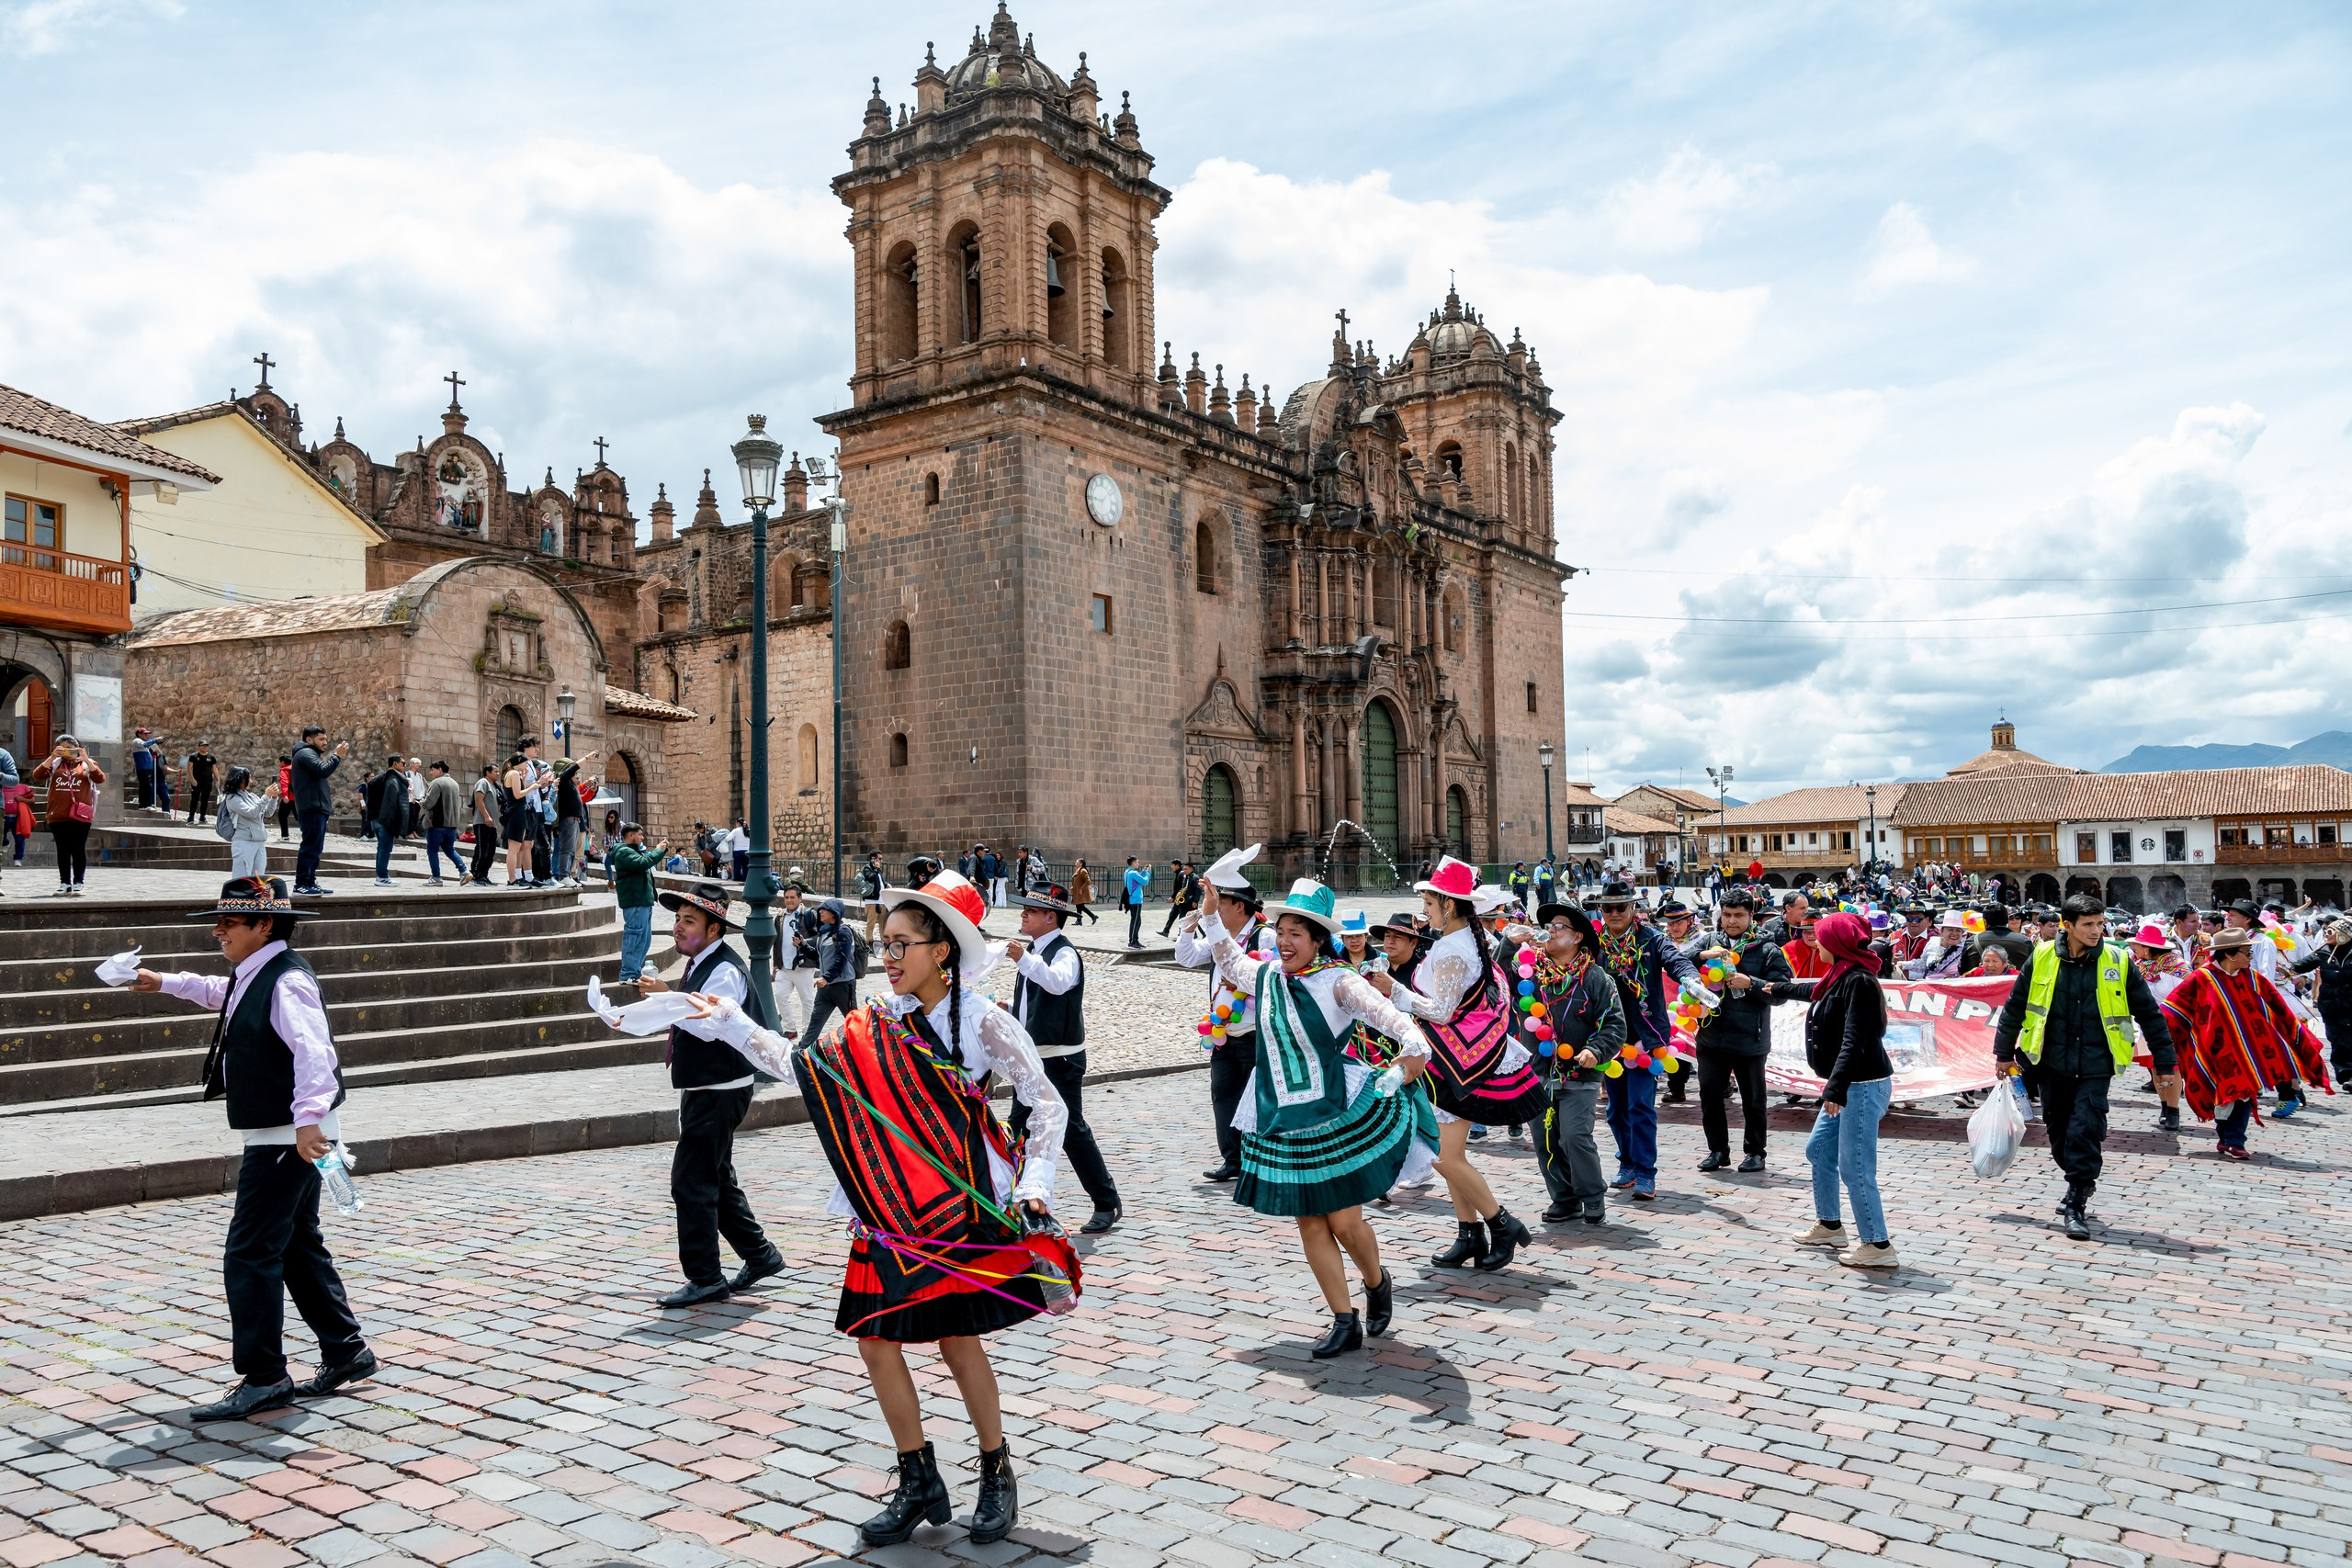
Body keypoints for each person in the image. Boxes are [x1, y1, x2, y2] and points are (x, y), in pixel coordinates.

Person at [678, 869, 1067, 1549]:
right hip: (886, 1203)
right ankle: (919, 1478)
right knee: (874, 1338)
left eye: (903, 944)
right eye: (884, 943)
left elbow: (1047, 1102)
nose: (887, 956)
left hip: (954, 1206)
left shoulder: (980, 1020)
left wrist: (1036, 1185)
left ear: (941, 950)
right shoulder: (876, 1020)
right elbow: (803, 1063)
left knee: (955, 1339)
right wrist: (732, 1021)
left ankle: (997, 1471)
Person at [127, 877, 377, 1419]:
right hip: (293, 1135)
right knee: (294, 1244)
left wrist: (310, 1122)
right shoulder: (258, 973)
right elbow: (222, 994)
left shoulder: (285, 982)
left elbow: (314, 1052)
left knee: (249, 1253)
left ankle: (264, 1377)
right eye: (217, 923)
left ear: (264, 925)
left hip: (289, 1140)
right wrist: (164, 981)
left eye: (229, 924)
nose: (218, 932)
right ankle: (346, 1349)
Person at [1202, 878, 1438, 1357]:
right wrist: (1210, 914)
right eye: (1281, 931)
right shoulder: (1267, 978)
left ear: (1316, 940)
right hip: (1282, 1116)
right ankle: (1343, 1319)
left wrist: (1413, 1048)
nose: (1285, 942)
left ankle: (1376, 1282)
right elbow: (1228, 960)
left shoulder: (1339, 981)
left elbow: (1390, 1017)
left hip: (1333, 1114)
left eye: (1297, 934)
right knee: (1310, 1223)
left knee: (1346, 1222)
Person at [1371, 857, 1544, 1270]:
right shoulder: (1465, 939)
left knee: (1446, 1158)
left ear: (1448, 905)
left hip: (1460, 1059)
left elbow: (1443, 1011)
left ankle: (1502, 1224)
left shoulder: (1452, 949)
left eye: (1429, 904)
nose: (1425, 911)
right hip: (1460, 1056)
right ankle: (1469, 1234)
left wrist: (1394, 990)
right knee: (1450, 1155)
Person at [631, 883, 785, 1307]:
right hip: (707, 1086)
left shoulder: (726, 970)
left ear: (714, 929)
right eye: (677, 920)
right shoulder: (701, 963)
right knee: (716, 1176)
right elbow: (688, 1015)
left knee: (691, 1182)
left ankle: (705, 1277)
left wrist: (668, 1000)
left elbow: (713, 1025)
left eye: (689, 921)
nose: (677, 928)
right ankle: (760, 1255)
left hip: (719, 1089)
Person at [1992, 893, 2179, 1238]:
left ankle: (2077, 1197)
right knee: (2059, 1132)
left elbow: (2150, 1015)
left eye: (2100, 923)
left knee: (2086, 1129)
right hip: (2050, 1063)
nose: (2097, 931)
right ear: (2068, 926)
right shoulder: (2043, 956)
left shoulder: (2119, 960)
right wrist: (2003, 1053)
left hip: (2097, 1062)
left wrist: (2165, 1062)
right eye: (2089, 925)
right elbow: (2016, 1006)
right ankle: (2078, 1179)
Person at [1775, 911, 1898, 1269]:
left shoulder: (1858, 981)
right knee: (1819, 1151)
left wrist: (1835, 1089)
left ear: (1836, 944)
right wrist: (1761, 985)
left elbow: (1854, 1040)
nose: (1814, 940)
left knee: (1855, 1168)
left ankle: (1878, 1245)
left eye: (1820, 936)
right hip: (1847, 1086)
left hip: (1860, 1086)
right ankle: (1830, 1224)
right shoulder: (1839, 976)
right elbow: (1805, 990)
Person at [1004, 882, 1122, 1234]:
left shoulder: (1064, 952)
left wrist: (1023, 959)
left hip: (1061, 1059)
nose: (1023, 914)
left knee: (1071, 1130)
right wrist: (1009, 1009)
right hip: (1033, 1058)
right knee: (1017, 1132)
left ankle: (1106, 1201)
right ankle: (1016, 1202)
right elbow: (1037, 1005)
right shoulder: (1036, 949)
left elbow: (1057, 983)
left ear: (1050, 917)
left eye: (1031, 910)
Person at [2162, 928, 2329, 1161]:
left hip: (2249, 1050)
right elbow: (2173, 1010)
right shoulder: (2201, 979)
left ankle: (2235, 1140)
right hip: (2214, 1052)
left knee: (2244, 1092)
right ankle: (2225, 1136)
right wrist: (2163, 1040)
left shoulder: (2253, 978)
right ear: (2230, 954)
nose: (2251, 957)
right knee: (2223, 1096)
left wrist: (2298, 1037)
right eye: (2247, 953)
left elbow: (2278, 1009)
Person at [1592, 880, 1711, 1200]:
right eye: (1608, 908)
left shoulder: (1652, 940)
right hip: (1608, 1036)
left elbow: (1676, 961)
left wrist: (1690, 978)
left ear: (1633, 908)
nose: (1614, 913)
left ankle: (1646, 1172)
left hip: (1645, 1038)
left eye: (1621, 907)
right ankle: (1627, 1163)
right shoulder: (1593, 943)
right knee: (1616, 1109)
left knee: (1641, 1106)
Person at [1174, 845, 1278, 1181]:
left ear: (1240, 906)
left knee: (1255, 1099)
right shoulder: (1220, 937)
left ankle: (1258, 1158)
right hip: (1221, 1033)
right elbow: (1186, 957)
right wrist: (1189, 926)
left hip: (1254, 1033)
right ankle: (1232, 1159)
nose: (1215, 910)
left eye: (1220, 904)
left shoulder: (1264, 936)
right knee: (1223, 1096)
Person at [1517, 900, 1624, 1224]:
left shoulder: (1596, 978)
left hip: (1581, 1074)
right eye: (1549, 926)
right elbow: (1493, 975)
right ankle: (1563, 1199)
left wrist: (1596, 1049)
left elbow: (1615, 1024)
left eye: (1559, 926)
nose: (1550, 931)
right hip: (1539, 1072)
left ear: (1578, 937)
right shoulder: (1530, 972)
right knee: (1544, 1139)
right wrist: (1510, 944)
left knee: (1575, 1136)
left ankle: (1592, 1195)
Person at [1694, 887, 1796, 1173]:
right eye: (1727, 915)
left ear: (1751, 916)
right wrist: (1704, 954)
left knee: (1753, 1100)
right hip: (1711, 1035)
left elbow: (1781, 991)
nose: (1732, 921)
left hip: (1750, 1037)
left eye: (1739, 915)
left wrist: (1750, 982)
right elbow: (1683, 961)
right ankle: (1717, 1150)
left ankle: (1755, 1152)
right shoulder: (1712, 941)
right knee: (1710, 1096)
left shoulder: (1767, 948)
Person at [2128, 920, 2191, 1130]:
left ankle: (2173, 1110)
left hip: (2173, 1023)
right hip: (2149, 1023)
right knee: (2155, 1066)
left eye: (2137, 945)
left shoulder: (2177, 967)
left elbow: (2188, 995)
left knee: (2171, 1066)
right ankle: (2164, 1106)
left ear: (2147, 948)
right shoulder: (2138, 967)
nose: (2133, 949)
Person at [29, 737, 105, 897]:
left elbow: (100, 778)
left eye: (69, 748)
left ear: (78, 748)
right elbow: (37, 775)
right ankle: (65, 883)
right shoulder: (56, 764)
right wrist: (52, 757)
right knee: (62, 850)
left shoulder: (86, 764)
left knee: (78, 849)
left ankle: (79, 883)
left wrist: (86, 759)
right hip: (58, 814)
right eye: (62, 748)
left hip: (81, 815)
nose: (66, 752)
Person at [2290, 918, 2352, 1094]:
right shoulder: (2323, 952)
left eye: (2331, 931)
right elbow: (2301, 966)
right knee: (2337, 1039)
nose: (2326, 933)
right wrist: (2285, 965)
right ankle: (2347, 1075)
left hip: (2350, 1001)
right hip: (2331, 1004)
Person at [288, 727, 346, 896]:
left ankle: (310, 882)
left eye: (325, 739)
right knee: (310, 847)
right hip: (311, 807)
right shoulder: (305, 753)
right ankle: (301, 884)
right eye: (321, 739)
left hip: (318, 808)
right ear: (309, 739)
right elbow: (323, 770)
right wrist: (337, 756)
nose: (325, 742)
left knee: (316, 848)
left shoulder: (310, 754)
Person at [800, 897, 862, 1045]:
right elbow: (818, 957)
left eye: (824, 909)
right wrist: (802, 945)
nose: (820, 912)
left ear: (834, 913)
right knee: (815, 1023)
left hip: (843, 986)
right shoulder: (823, 932)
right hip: (825, 988)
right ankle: (802, 1052)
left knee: (854, 1021)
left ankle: (863, 1047)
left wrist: (826, 977)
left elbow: (841, 960)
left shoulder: (843, 932)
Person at [609, 823, 663, 982]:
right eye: (640, 834)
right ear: (631, 835)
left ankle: (635, 971)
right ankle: (627, 974)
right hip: (635, 902)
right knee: (634, 937)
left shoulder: (633, 851)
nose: (642, 837)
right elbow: (643, 864)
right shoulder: (624, 851)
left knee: (644, 939)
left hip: (643, 901)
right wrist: (658, 850)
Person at [777, 883, 820, 1036]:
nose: (789, 900)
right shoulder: (780, 917)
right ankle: (790, 1028)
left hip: (804, 965)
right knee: (780, 996)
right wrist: (777, 964)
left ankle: (807, 1032)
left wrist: (804, 942)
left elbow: (817, 937)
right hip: (785, 966)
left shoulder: (809, 915)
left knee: (807, 1000)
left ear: (800, 898)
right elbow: (777, 942)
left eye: (792, 897)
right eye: (786, 898)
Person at [217, 765, 275, 880]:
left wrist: (273, 798)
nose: (251, 781)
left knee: (258, 879)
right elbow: (251, 813)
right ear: (240, 780)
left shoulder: (251, 796)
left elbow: (267, 812)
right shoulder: (232, 799)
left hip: (259, 841)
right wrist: (266, 796)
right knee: (242, 877)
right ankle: (240, 898)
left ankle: (255, 898)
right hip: (243, 842)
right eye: (248, 778)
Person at [502, 745, 544, 887]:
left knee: (517, 846)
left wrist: (525, 780)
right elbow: (517, 795)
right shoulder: (513, 774)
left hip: (518, 812)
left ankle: (515, 878)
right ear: (519, 762)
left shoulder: (516, 774)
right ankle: (512, 879)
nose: (527, 764)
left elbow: (519, 791)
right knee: (514, 848)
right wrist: (532, 787)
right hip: (516, 812)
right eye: (525, 762)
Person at [551, 751, 596, 886]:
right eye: (573, 771)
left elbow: (581, 794)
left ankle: (567, 874)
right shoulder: (563, 780)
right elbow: (575, 767)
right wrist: (587, 757)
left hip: (576, 820)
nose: (576, 774)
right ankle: (563, 875)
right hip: (568, 820)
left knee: (571, 850)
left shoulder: (571, 785)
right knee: (566, 849)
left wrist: (591, 788)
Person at [361, 754, 406, 886]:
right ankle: (382, 877)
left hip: (375, 820)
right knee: (385, 849)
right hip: (385, 820)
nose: (405, 766)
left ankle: (381, 876)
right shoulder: (393, 779)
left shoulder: (378, 779)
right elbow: (392, 802)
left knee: (382, 848)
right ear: (395, 764)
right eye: (403, 763)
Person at [421, 761, 464, 886]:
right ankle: (464, 871)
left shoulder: (436, 782)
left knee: (432, 851)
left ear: (439, 769)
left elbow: (429, 803)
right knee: (450, 849)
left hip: (437, 824)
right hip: (451, 825)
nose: (431, 772)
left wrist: (421, 803)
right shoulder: (454, 783)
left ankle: (436, 877)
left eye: (432, 769)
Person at [1967, 903, 2035, 972]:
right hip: (2016, 982)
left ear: (1985, 922)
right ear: (2007, 920)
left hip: (1981, 982)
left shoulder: (1972, 941)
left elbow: (1962, 970)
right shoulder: (2024, 941)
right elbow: (2034, 967)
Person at [469, 763, 503, 886]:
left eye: (498, 771)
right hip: (482, 822)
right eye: (495, 771)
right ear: (488, 772)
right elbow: (479, 800)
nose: (498, 773)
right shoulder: (483, 783)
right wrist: (486, 816)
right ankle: (475, 875)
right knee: (482, 850)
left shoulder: (495, 786)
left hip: (492, 824)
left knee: (490, 852)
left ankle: (484, 875)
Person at [1159, 858, 1197, 937]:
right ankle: (1166, 931)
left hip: (1182, 900)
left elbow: (1180, 888)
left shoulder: (1181, 874)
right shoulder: (1180, 874)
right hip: (1180, 899)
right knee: (1174, 915)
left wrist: (1174, 897)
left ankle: (1185, 934)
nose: (1171, 867)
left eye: (1172, 865)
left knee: (1182, 917)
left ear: (1177, 865)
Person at [857, 852, 887, 949]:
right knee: (871, 923)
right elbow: (870, 878)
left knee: (883, 922)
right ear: (873, 859)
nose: (881, 860)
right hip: (872, 901)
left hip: (881, 900)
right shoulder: (867, 868)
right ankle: (869, 942)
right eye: (879, 858)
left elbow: (880, 881)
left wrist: (886, 885)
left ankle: (884, 941)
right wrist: (876, 869)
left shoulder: (879, 869)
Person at [1123, 856, 1148, 949]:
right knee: (1136, 921)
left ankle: (1135, 940)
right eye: (1137, 862)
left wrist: (1144, 871)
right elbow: (1144, 881)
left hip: (1131, 899)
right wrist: (1148, 872)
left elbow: (1138, 879)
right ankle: (1133, 941)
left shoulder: (1128, 872)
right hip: (1135, 900)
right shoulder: (1133, 873)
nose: (1138, 864)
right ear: (1133, 863)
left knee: (1136, 920)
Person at [131, 726, 157, 810]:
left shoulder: (141, 744)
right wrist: (156, 740)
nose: (147, 736)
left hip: (146, 768)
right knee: (147, 786)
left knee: (145, 786)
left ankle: (143, 805)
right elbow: (146, 744)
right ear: (139, 734)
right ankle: (146, 805)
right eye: (145, 734)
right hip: (143, 768)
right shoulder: (137, 741)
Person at [1068, 859, 1098, 924]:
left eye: (1077, 863)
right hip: (1078, 892)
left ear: (1081, 863)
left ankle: (1092, 916)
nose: (1075, 864)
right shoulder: (1078, 870)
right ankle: (1079, 920)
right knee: (1079, 906)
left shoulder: (1083, 870)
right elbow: (1077, 880)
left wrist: (1081, 889)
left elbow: (1088, 881)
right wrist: (1073, 887)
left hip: (1081, 892)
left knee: (1080, 906)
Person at [275, 755, 297, 841]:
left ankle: (285, 836)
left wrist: (285, 795)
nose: (279, 764)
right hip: (297, 797)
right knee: (299, 817)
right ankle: (309, 836)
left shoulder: (284, 771)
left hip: (289, 798)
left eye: (280, 762)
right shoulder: (295, 770)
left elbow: (284, 783)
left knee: (282, 816)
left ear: (283, 762)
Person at [726, 818, 750, 882]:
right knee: (746, 868)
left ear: (738, 823)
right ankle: (746, 881)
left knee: (737, 868)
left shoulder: (736, 830)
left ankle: (736, 880)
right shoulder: (748, 830)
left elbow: (727, 838)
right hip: (747, 852)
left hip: (737, 852)